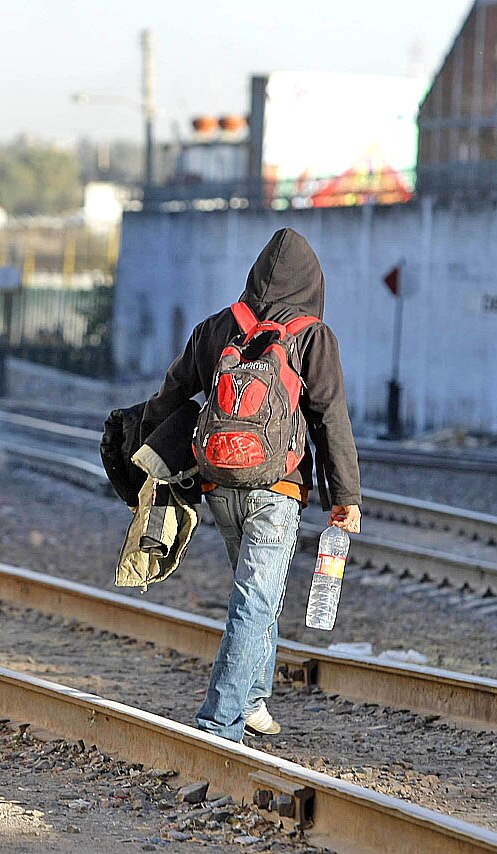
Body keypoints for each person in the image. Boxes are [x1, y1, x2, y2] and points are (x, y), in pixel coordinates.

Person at [140, 227, 361, 742]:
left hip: (219, 486)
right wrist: (345, 497)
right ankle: (220, 723)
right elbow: (330, 418)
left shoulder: (219, 327)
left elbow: (172, 394)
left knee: (258, 594)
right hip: (277, 490)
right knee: (255, 601)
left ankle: (254, 699)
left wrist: (148, 450)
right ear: (312, 284)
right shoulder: (313, 336)